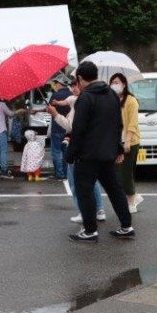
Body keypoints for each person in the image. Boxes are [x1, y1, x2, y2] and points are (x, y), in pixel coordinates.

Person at [65, 61, 134, 243]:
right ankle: (126, 226)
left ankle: (90, 231)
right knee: (114, 189)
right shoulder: (111, 94)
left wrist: (70, 154)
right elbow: (118, 124)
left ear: (80, 78)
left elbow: (79, 129)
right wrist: (118, 148)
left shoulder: (85, 98)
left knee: (84, 191)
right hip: (108, 153)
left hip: (88, 155)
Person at [48, 79, 106, 224]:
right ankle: (99, 209)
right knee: (92, 180)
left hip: (78, 148)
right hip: (92, 147)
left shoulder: (81, 103)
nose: (74, 88)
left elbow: (71, 126)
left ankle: (84, 212)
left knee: (75, 182)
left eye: (77, 85)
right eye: (73, 85)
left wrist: (55, 114)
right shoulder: (94, 100)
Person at [110, 73, 143, 214]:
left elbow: (132, 124)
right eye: (112, 82)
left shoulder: (131, 101)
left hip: (129, 142)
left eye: (117, 82)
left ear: (124, 84)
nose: (114, 85)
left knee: (126, 173)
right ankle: (133, 196)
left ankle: (131, 201)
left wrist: (128, 141)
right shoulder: (112, 100)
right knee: (117, 174)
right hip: (116, 142)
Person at [47, 75, 71, 180]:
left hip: (57, 127)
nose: (54, 85)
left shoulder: (55, 95)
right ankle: (66, 173)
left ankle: (59, 174)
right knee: (66, 151)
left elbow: (50, 109)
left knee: (56, 151)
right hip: (68, 128)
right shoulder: (71, 95)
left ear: (59, 83)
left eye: (55, 83)